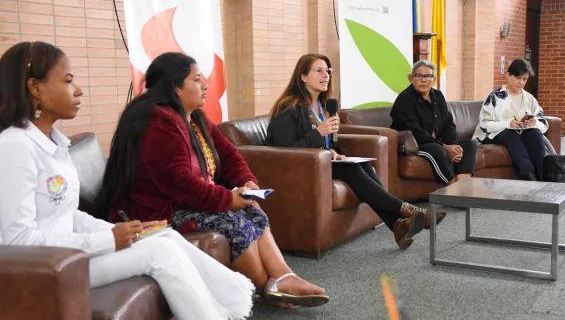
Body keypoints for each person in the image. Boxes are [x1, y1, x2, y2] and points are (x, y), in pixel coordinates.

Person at [0, 42, 254, 320]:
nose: (79, 90)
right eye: (68, 81)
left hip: (69, 255)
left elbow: (67, 215)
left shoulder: (54, 145)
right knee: (159, 253)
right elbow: (19, 240)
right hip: (47, 269)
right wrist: (106, 239)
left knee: (162, 235)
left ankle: (234, 305)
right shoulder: (14, 147)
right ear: (35, 88)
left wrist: (124, 230)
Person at [95, 52, 328, 308]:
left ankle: (283, 278)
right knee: (232, 220)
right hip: (159, 212)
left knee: (252, 210)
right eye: (196, 80)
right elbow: (177, 183)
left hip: (185, 202)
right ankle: (266, 288)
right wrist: (227, 198)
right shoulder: (157, 121)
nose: (205, 85)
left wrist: (247, 182)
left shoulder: (194, 117)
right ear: (175, 86)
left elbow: (230, 156)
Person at [265, 53, 445, 249]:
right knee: (351, 169)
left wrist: (333, 151)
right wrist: (319, 133)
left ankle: (397, 226)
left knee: (362, 166)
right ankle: (407, 210)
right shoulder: (288, 107)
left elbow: (323, 143)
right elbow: (283, 151)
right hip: (298, 169)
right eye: (319, 71)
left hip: (321, 163)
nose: (326, 75)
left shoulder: (321, 105)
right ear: (303, 76)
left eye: (328, 71)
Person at [390, 60, 477, 185]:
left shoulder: (438, 96)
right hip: (415, 145)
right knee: (437, 149)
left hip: (437, 143)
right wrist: (445, 147)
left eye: (428, 76)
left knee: (469, 145)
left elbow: (448, 124)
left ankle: (462, 190)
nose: (423, 80)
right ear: (411, 78)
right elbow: (415, 133)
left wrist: (453, 146)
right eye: (419, 76)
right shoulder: (404, 100)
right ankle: (454, 190)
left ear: (434, 79)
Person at [472, 59, 548, 181]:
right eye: (518, 78)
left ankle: (540, 177)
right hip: (495, 134)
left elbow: (544, 125)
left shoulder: (529, 99)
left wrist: (535, 123)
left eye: (524, 79)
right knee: (510, 134)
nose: (521, 82)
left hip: (522, 133)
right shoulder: (494, 96)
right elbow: (484, 124)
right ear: (508, 75)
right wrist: (508, 124)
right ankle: (529, 175)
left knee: (535, 133)